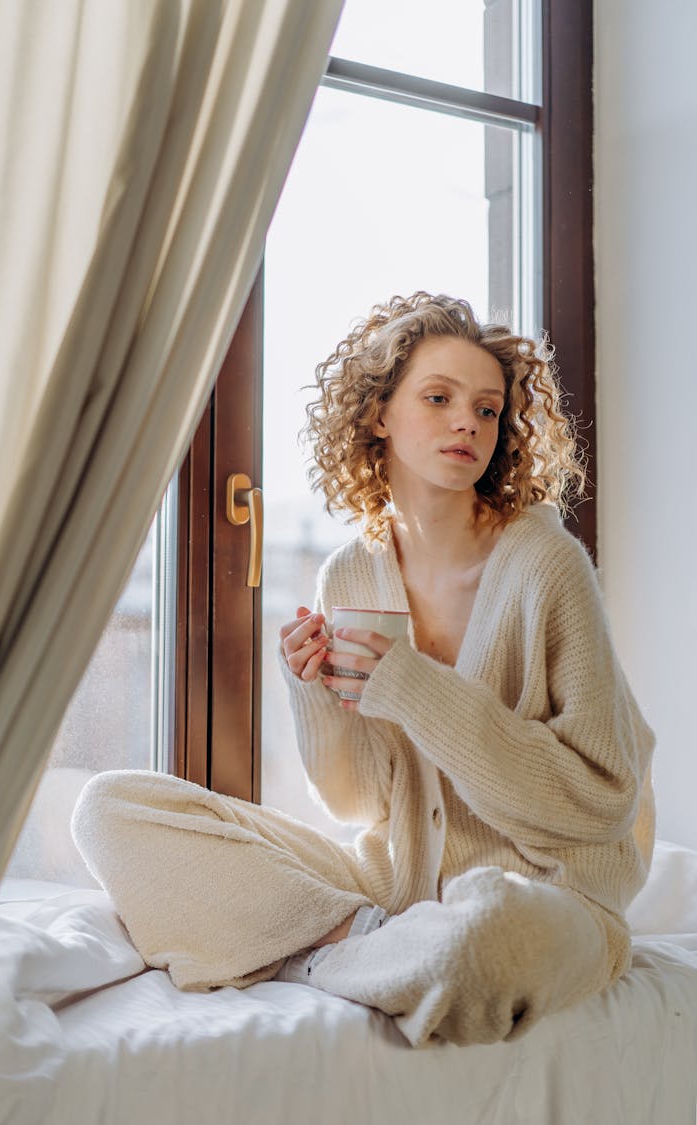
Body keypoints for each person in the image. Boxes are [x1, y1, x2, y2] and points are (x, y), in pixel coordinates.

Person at [72, 292, 655, 1048]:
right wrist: (310, 691)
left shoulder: (545, 565)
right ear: (379, 413)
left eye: (486, 409)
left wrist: (413, 686)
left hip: (550, 892)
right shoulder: (349, 575)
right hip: (392, 891)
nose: (467, 424)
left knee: (491, 936)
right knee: (110, 808)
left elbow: (602, 801)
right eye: (439, 398)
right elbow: (355, 802)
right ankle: (366, 942)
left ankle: (319, 953)